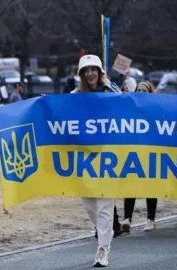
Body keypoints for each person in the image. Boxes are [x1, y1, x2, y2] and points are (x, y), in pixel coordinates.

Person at [72, 54, 122, 267]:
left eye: (94, 69)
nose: (90, 73)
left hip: (109, 156)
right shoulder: (74, 95)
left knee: (104, 204)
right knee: (88, 203)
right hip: (84, 157)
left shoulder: (112, 92)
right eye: (86, 70)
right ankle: (105, 232)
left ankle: (103, 249)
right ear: (82, 74)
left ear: (100, 72)